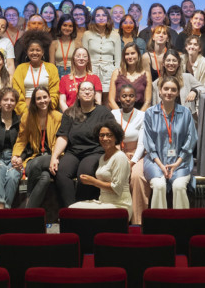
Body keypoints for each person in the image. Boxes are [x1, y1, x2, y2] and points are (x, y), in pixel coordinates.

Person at [48, 81, 115, 207]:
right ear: (78, 94)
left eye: (90, 89)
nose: (87, 92)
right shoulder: (69, 113)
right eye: (84, 89)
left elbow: (114, 135)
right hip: (73, 152)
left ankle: (81, 209)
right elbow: (63, 136)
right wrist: (54, 157)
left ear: (95, 94)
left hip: (95, 152)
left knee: (84, 174)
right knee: (61, 172)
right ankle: (70, 209)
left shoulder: (104, 112)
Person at [144, 76, 197, 210]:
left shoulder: (185, 113)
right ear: (160, 91)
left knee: (179, 186)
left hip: (180, 161)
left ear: (178, 92)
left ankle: (182, 223)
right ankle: (158, 224)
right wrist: (162, 166)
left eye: (173, 90)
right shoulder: (150, 113)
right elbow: (149, 143)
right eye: (166, 89)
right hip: (155, 161)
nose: (169, 92)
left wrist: (176, 164)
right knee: (158, 185)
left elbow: (191, 140)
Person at [69, 120, 132, 219]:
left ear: (116, 137)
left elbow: (117, 188)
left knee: (75, 211)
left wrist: (93, 181)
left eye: (109, 135)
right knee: (72, 208)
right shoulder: (103, 157)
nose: (105, 138)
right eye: (102, 135)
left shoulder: (119, 157)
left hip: (120, 206)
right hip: (104, 202)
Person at [15, 87, 63, 208]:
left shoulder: (58, 116)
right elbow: (21, 139)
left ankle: (26, 204)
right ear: (34, 101)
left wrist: (56, 156)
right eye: (38, 98)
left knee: (37, 164)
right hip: (33, 157)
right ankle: (30, 210)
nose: (42, 101)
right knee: (45, 178)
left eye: (45, 97)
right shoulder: (27, 117)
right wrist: (16, 155)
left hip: (52, 157)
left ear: (49, 98)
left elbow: (61, 140)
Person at [111, 85, 147, 223]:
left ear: (136, 98)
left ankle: (138, 221)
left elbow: (142, 144)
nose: (128, 99)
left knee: (137, 177)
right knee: (114, 174)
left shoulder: (142, 115)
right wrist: (120, 156)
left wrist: (131, 162)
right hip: (117, 153)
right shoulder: (113, 114)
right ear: (119, 98)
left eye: (131, 96)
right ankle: (118, 220)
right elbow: (111, 139)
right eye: (124, 96)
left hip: (138, 155)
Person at [13, 35, 60, 116]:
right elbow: (17, 93)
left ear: (42, 52)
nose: (34, 53)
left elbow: (55, 92)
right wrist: (26, 112)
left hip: (47, 109)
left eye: (38, 50)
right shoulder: (20, 69)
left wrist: (46, 109)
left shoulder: (51, 68)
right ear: (27, 52)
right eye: (31, 50)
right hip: (25, 110)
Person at [152, 49, 205, 115]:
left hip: (186, 118)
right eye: (168, 60)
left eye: (174, 60)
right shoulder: (156, 83)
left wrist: (195, 91)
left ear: (179, 63)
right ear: (163, 63)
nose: (171, 63)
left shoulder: (187, 77)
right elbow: (154, 106)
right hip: (165, 119)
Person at [83, 6, 121, 101]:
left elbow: (118, 59)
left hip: (109, 72)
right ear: (93, 18)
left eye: (104, 15)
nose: (101, 18)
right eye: (98, 15)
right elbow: (84, 56)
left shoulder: (115, 35)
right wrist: (86, 71)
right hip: (91, 71)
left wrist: (115, 74)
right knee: (91, 99)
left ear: (108, 18)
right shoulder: (87, 34)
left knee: (107, 100)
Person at [108, 42, 152, 110]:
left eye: (133, 53)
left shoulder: (146, 74)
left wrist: (138, 117)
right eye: (127, 54)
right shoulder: (116, 73)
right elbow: (111, 101)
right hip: (119, 113)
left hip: (139, 114)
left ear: (138, 55)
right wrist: (120, 116)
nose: (130, 57)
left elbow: (148, 102)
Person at [59, 47, 103, 111]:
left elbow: (98, 102)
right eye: (78, 56)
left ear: (88, 60)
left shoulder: (95, 78)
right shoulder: (64, 79)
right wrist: (69, 116)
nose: (81, 58)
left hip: (90, 115)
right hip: (70, 115)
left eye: (84, 56)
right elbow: (62, 101)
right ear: (73, 59)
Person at [49, 14, 77, 78]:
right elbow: (51, 65)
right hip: (57, 73)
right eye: (64, 25)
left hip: (73, 73)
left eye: (70, 26)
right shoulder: (54, 44)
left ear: (73, 28)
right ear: (60, 26)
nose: (67, 28)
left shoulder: (77, 43)